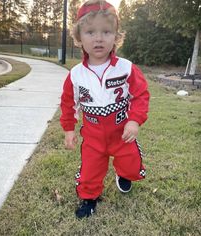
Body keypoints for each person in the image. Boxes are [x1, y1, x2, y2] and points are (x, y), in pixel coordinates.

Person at [60, 0, 150, 219]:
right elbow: (68, 103)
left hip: (121, 132)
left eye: (106, 32)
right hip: (93, 134)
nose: (98, 38)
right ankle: (89, 198)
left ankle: (124, 174)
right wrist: (69, 129)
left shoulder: (126, 68)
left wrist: (134, 120)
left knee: (131, 164)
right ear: (79, 37)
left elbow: (141, 95)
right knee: (91, 170)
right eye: (90, 32)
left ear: (116, 37)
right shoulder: (76, 74)